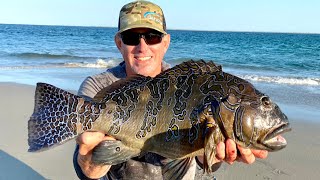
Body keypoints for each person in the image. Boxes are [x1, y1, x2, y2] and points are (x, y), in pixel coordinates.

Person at [73, 1, 268, 179]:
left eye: (152, 37)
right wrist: (91, 162)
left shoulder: (190, 83)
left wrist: (215, 152)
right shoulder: (98, 87)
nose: (142, 47)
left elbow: (203, 161)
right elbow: (86, 166)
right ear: (119, 43)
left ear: (165, 42)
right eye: (132, 37)